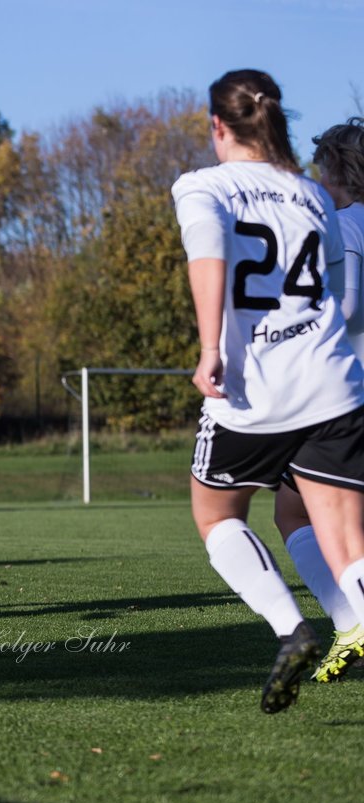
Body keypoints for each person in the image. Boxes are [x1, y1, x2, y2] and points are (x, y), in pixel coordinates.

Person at [173, 69, 364, 713]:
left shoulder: (203, 186)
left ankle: (291, 627)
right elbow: (339, 296)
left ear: (219, 126)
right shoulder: (313, 194)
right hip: (333, 383)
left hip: (252, 388)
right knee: (344, 538)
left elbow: (209, 258)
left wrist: (208, 350)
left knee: (217, 515)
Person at [272, 118, 364, 682]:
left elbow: (347, 306)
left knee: (294, 509)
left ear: (339, 169)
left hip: (346, 395)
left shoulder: (345, 224)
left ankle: (349, 619)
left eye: (322, 168)